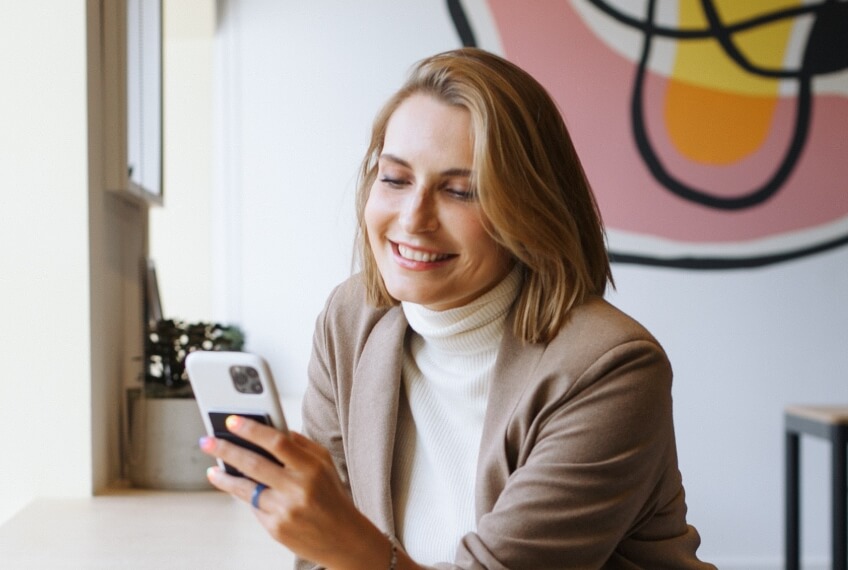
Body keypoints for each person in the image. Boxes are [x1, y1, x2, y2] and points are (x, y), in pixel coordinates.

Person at [199, 47, 715, 569]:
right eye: (395, 179)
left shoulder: (610, 367)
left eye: (461, 191)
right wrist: (325, 537)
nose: (413, 219)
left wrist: (349, 544)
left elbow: (346, 551)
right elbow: (321, 558)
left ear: (527, 210)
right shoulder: (351, 319)